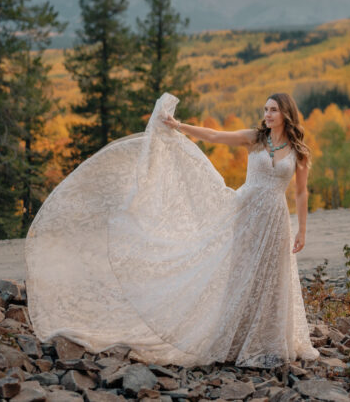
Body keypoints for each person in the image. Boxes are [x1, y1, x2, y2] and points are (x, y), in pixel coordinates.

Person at [25, 92, 318, 368]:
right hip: (245, 214)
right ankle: (235, 340)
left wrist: (302, 231)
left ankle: (267, 341)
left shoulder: (297, 151)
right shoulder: (255, 139)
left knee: (271, 277)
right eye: (265, 109)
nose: (267, 114)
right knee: (241, 274)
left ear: (285, 114)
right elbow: (215, 135)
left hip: (275, 219)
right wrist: (179, 126)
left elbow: (301, 193)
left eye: (273, 110)